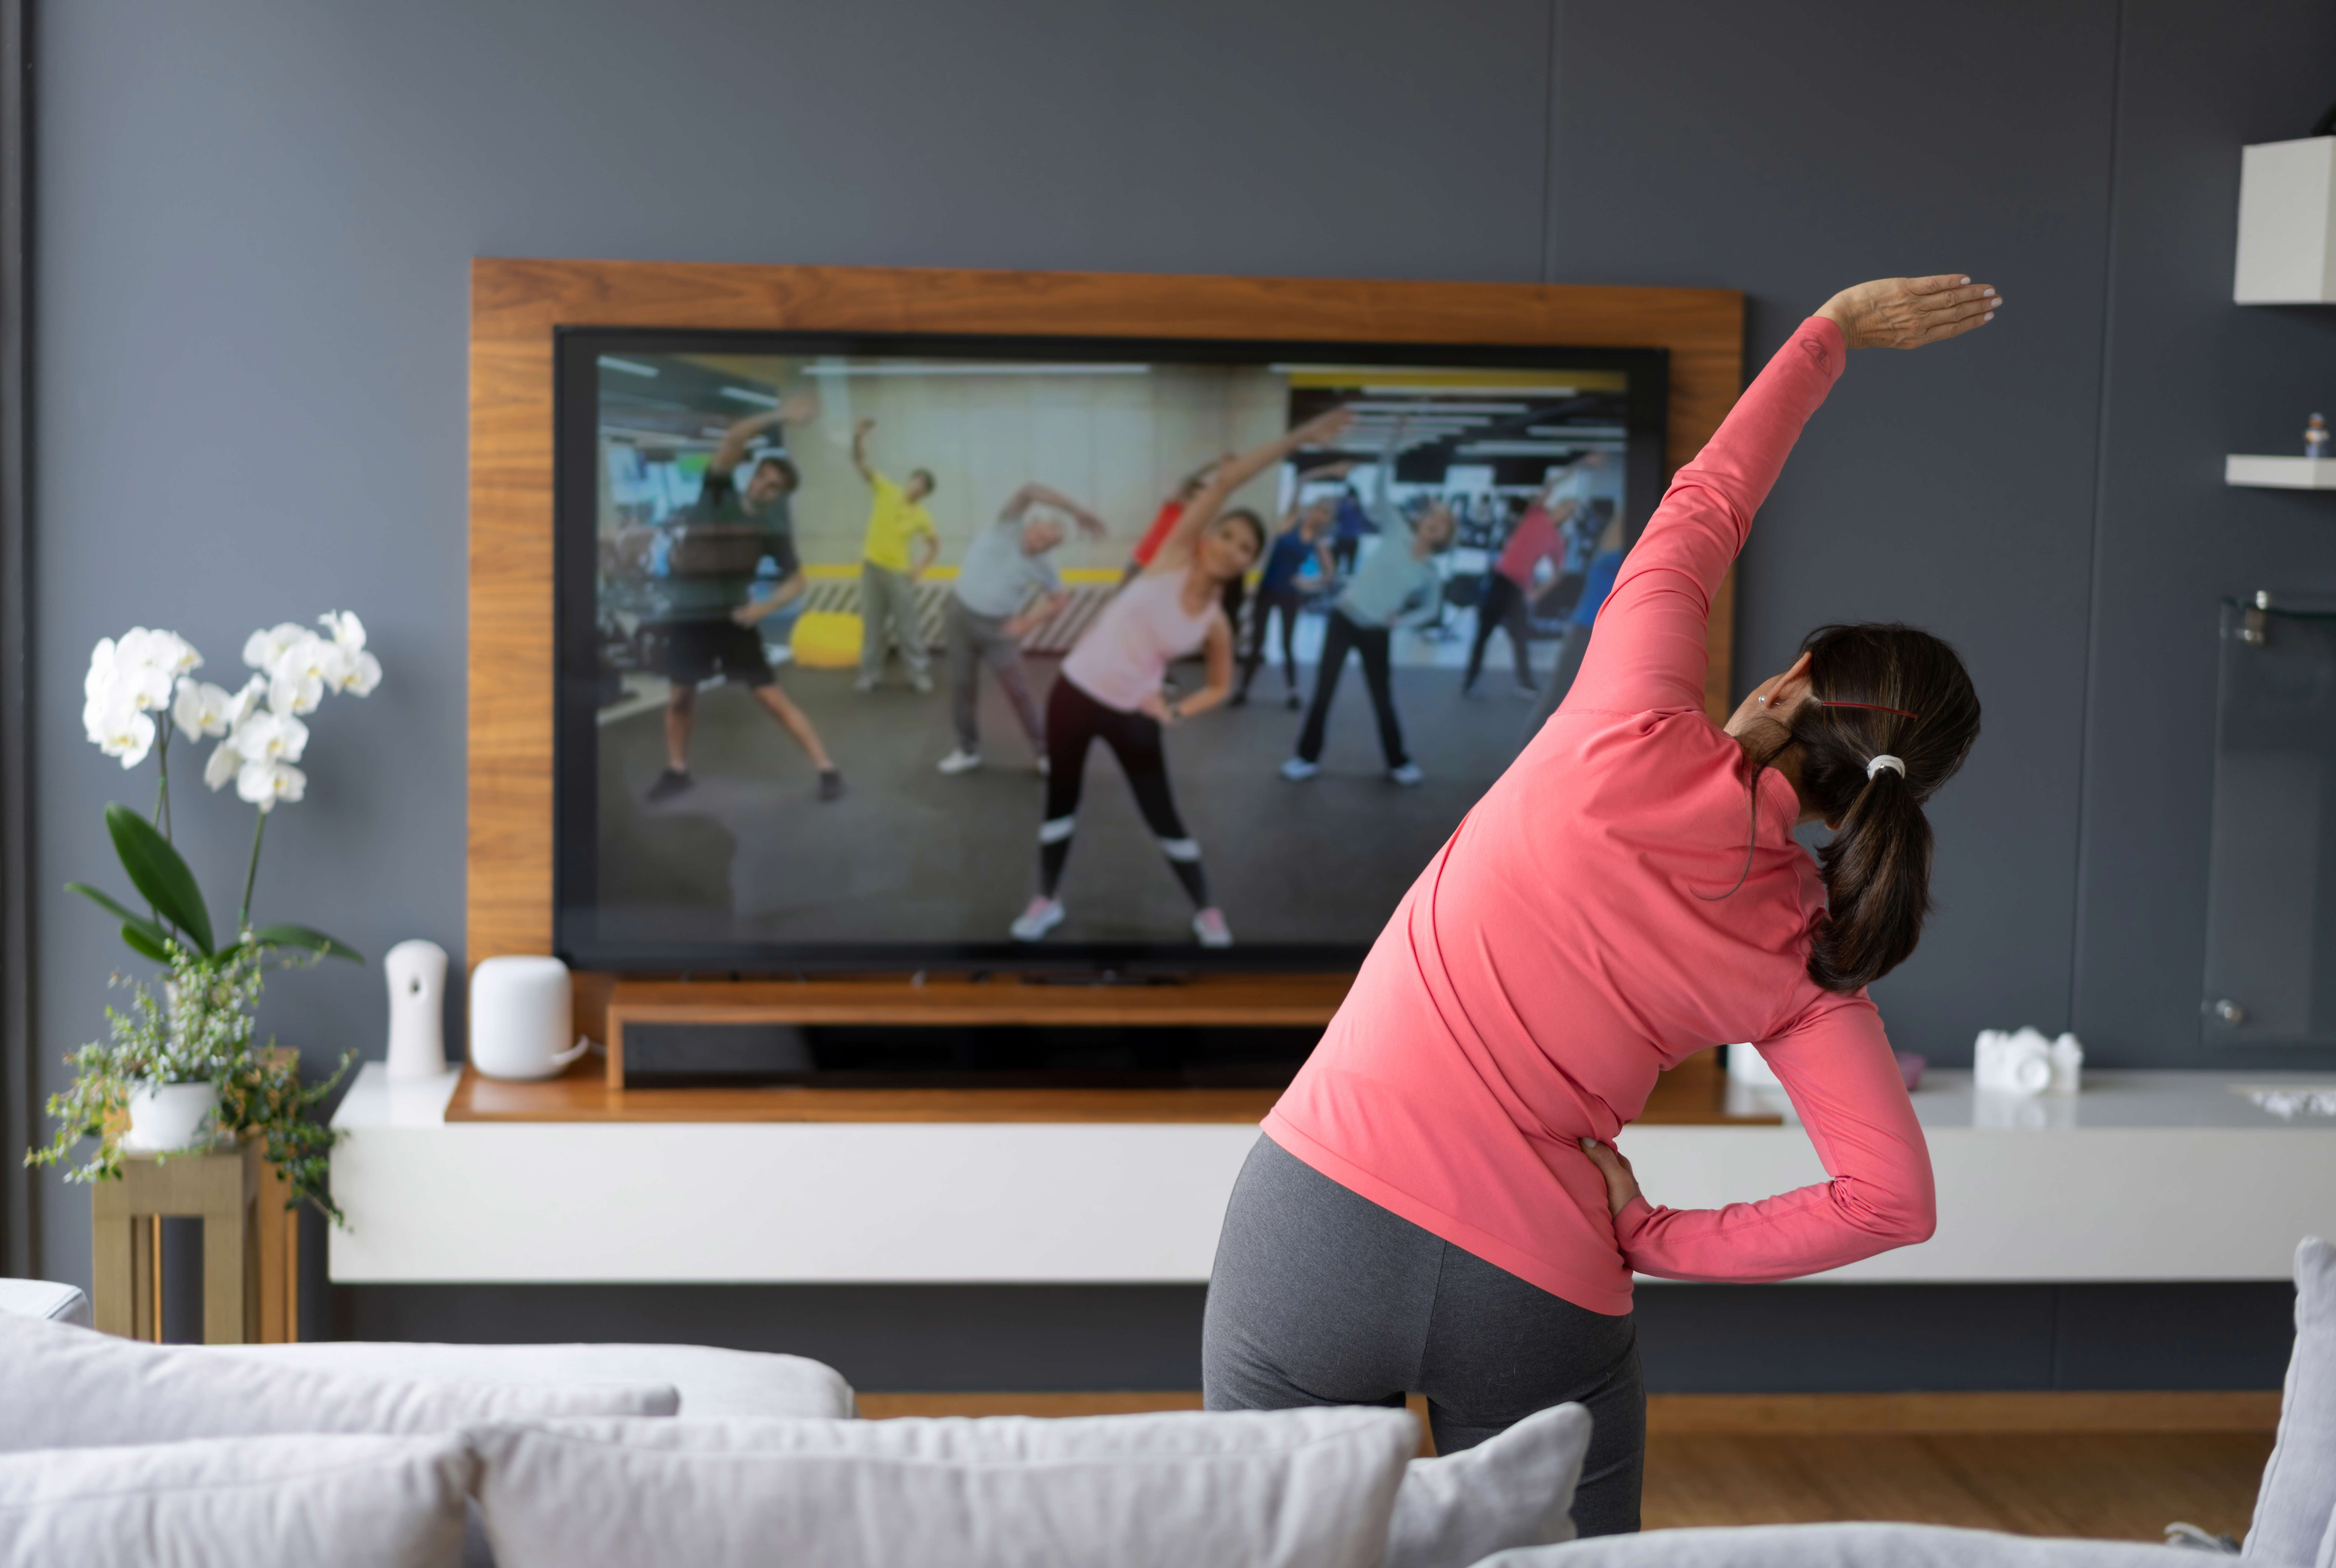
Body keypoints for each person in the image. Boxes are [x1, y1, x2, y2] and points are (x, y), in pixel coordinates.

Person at [1201, 274, 2000, 1535]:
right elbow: (1890, 1198)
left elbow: (1706, 503)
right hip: (1542, 1276)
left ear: (1793, 678)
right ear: (1872, 798)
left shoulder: (1624, 716)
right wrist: (1652, 1230)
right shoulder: (1809, 944)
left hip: (1320, 1216)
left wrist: (1829, 334)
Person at [1012, 406, 1354, 949]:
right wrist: (1299, 439)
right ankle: (1045, 900)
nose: (1233, 548)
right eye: (1228, 535)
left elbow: (1218, 686)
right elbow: (1227, 480)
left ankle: (1207, 910)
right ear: (1207, 537)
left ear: (1247, 564)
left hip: (1133, 711)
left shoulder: (1215, 622)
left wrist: (1176, 711)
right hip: (1072, 695)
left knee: (1162, 813)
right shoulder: (1171, 556)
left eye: (1246, 548)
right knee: (1061, 800)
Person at [644, 398, 843, 804]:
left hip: (733, 621)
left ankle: (827, 768)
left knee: (772, 700)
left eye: (774, 487)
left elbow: (798, 582)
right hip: (688, 617)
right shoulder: (717, 494)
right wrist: (782, 417)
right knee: (680, 698)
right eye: (761, 478)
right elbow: (736, 437)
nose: (762, 487)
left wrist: (763, 609)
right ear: (752, 476)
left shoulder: (770, 529)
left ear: (780, 495)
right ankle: (677, 769)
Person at [1280, 425, 1454, 785]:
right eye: (1431, 518)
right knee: (1323, 691)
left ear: (1444, 537)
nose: (1433, 525)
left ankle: (1398, 762)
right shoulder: (1395, 528)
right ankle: (1305, 757)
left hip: (1376, 631)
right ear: (1422, 520)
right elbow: (1379, 485)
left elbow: (1430, 611)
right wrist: (1393, 441)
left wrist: (1399, 623)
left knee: (1381, 698)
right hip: (1343, 619)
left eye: (1441, 525)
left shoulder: (1429, 573)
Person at [938, 483, 1107, 775]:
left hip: (998, 630)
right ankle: (967, 751)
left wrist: (1028, 623)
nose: (1039, 544)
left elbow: (1060, 599)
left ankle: (1046, 753)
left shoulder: (1045, 565)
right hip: (960, 616)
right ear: (1032, 524)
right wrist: (1077, 510)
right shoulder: (1006, 527)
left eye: (1049, 543)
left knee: (1019, 692)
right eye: (1039, 535)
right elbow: (1029, 491)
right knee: (962, 686)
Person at [1460, 457, 1598, 700]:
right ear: (1558, 506)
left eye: (1570, 512)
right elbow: (1551, 483)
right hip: (1499, 581)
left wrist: (1536, 594)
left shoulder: (1557, 541)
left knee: (1520, 638)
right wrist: (1582, 464)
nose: (1565, 512)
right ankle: (1470, 683)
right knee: (1483, 636)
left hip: (1518, 589)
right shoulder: (1536, 514)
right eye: (1565, 506)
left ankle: (1525, 684)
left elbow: (1559, 574)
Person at [1232, 473, 1346, 709]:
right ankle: (1243, 691)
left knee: (1287, 645)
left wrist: (1309, 583)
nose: (1319, 514)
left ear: (1327, 519)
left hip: (1289, 594)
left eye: (1324, 513)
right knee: (1256, 643)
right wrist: (1332, 469)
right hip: (1266, 589)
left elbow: (1330, 573)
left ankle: (1292, 692)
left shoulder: (1317, 541)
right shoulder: (1290, 522)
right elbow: (1301, 482)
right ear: (1311, 509)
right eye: (1318, 509)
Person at [850, 418, 940, 694]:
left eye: (924, 486)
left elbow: (935, 545)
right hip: (872, 568)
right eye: (917, 480)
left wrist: (920, 567)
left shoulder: (922, 515)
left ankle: (918, 674)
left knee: (908, 625)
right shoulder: (886, 490)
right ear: (910, 480)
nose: (918, 486)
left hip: (899, 573)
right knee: (873, 626)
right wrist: (859, 437)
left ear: (925, 494)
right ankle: (870, 675)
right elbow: (861, 463)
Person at [1528, 497, 1627, 729]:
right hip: (1587, 629)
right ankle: (1523, 760)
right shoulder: (1617, 536)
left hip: (1613, 633)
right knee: (1557, 701)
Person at [1123, 455, 1230, 580]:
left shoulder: (1202, 527)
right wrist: (1215, 464)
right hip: (1141, 564)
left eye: (1201, 500)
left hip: (1165, 571)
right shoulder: (1173, 509)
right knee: (1120, 597)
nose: (1195, 502)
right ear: (1187, 495)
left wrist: (1226, 475)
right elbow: (1189, 480)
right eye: (1193, 497)